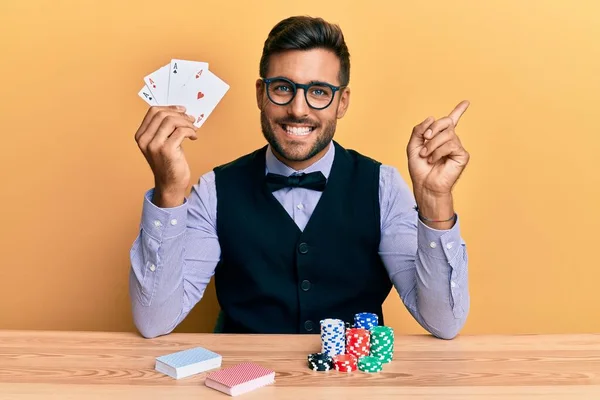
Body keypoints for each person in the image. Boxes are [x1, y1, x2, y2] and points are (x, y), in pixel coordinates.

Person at [129, 15, 471, 339]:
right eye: (283, 88)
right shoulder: (214, 191)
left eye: (319, 92)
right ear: (261, 94)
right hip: (245, 383)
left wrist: (435, 202)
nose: (298, 109)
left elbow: (443, 323)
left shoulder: (384, 187)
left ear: (342, 102)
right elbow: (154, 321)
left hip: (350, 385)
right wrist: (169, 194)